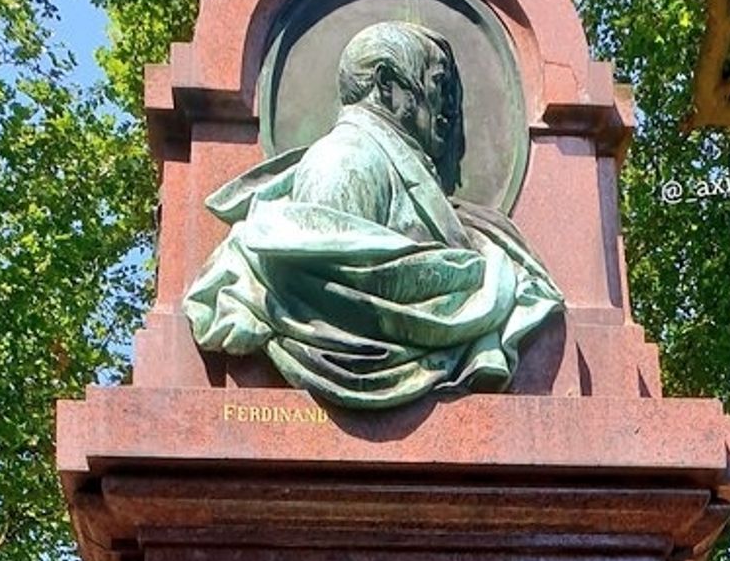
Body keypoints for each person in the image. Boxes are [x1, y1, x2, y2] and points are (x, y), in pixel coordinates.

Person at [183, 21, 563, 408]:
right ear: (386, 84)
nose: (449, 106)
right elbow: (339, 276)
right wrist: (481, 274)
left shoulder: (401, 167)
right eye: (439, 85)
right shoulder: (348, 160)